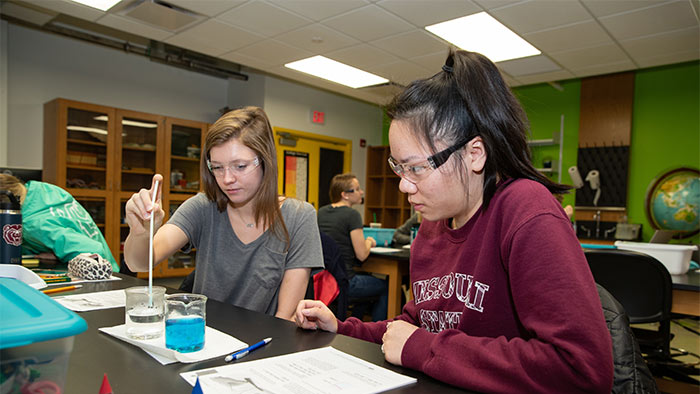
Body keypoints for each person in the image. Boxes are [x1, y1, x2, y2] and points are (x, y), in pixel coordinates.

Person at [295, 50, 613, 392]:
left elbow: (582, 370)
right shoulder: (433, 226)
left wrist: (422, 348)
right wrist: (341, 329)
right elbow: (414, 327)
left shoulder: (526, 211)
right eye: (398, 167)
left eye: (416, 168)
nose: (404, 184)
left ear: (474, 154)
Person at [124, 107, 323, 320]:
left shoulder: (299, 217)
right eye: (217, 167)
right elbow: (140, 263)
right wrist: (141, 231)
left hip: (262, 342)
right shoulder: (203, 206)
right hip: (204, 337)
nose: (227, 179)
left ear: (265, 161)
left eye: (240, 166)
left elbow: (285, 318)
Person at [0, 174, 118, 272]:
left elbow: (93, 252)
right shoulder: (41, 189)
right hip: (113, 266)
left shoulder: (32, 225)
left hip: (102, 276)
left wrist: (62, 255)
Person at [317, 173, 388, 321]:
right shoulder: (352, 215)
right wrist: (369, 241)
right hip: (346, 281)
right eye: (357, 189)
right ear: (345, 195)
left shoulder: (321, 212)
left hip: (324, 281)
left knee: (367, 282)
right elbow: (361, 254)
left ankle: (355, 325)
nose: (361, 192)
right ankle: (376, 336)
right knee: (387, 287)